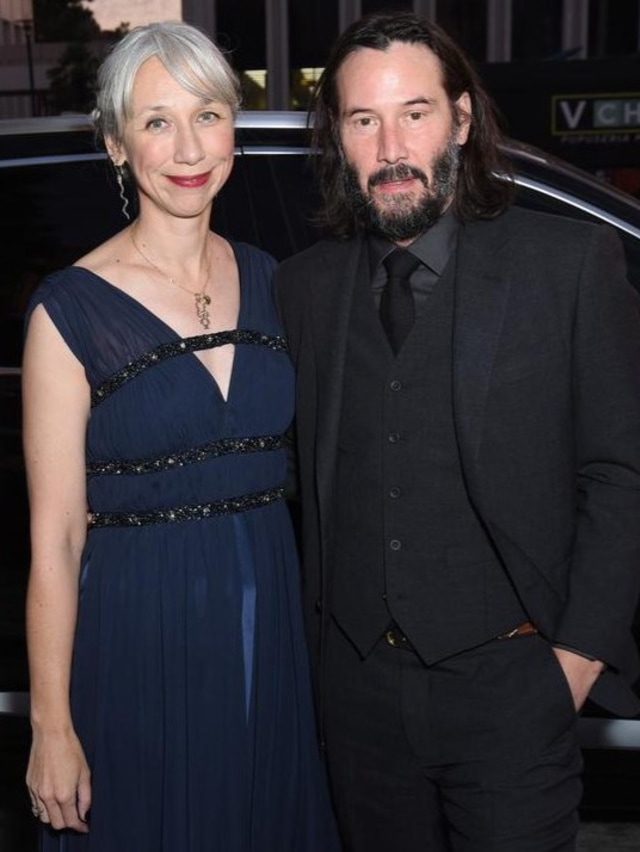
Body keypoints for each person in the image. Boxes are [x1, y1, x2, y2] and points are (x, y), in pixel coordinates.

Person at [274, 11, 640, 852]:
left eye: (416, 112)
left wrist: (575, 661)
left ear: (463, 119)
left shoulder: (568, 267)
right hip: (356, 698)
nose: (391, 144)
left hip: (512, 688)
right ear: (338, 136)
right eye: (364, 120)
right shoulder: (303, 289)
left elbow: (621, 474)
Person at [23, 21, 339, 852]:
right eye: (156, 120)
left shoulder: (277, 280)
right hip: (139, 635)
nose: (188, 145)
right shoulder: (70, 311)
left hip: (270, 629)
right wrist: (50, 726)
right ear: (116, 144)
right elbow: (55, 536)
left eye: (208, 113)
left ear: (235, 127)